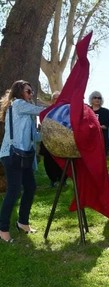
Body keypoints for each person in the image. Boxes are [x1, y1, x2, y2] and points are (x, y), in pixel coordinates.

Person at [0, 80, 44, 242]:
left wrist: (51, 132)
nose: (31, 94)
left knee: (30, 187)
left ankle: (22, 223)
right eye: (28, 91)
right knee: (14, 190)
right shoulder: (18, 104)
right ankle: (2, 229)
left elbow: (35, 136)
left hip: (24, 156)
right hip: (11, 155)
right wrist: (58, 107)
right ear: (19, 92)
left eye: (31, 91)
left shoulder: (27, 112)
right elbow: (41, 110)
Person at [39, 91, 67, 187]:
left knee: (63, 160)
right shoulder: (47, 111)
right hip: (49, 139)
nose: (57, 100)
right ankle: (53, 179)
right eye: (55, 98)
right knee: (49, 161)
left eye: (58, 98)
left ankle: (63, 179)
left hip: (62, 139)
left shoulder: (65, 110)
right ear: (52, 100)